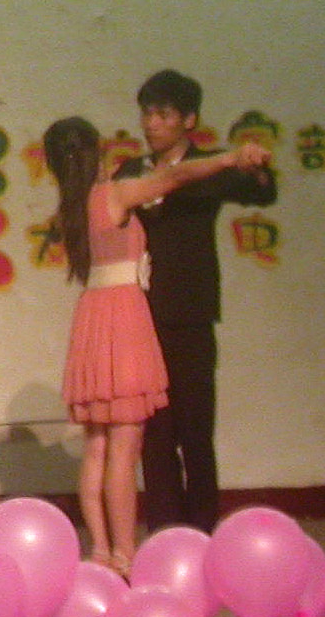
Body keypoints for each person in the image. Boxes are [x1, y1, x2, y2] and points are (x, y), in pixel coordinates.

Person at [42, 115, 267, 571]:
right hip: (123, 319)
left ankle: (101, 549)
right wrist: (229, 158)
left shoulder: (70, 208)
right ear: (94, 152)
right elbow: (174, 177)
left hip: (92, 319)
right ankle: (125, 553)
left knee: (97, 447)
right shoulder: (111, 195)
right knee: (124, 448)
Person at [115, 70, 280, 533]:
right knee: (154, 435)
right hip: (141, 314)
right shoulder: (132, 171)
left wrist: (255, 164)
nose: (151, 123)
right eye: (147, 113)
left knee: (194, 431)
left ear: (189, 119)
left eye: (163, 114)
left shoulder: (211, 166)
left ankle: (203, 534)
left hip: (190, 312)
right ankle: (165, 534)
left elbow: (262, 192)